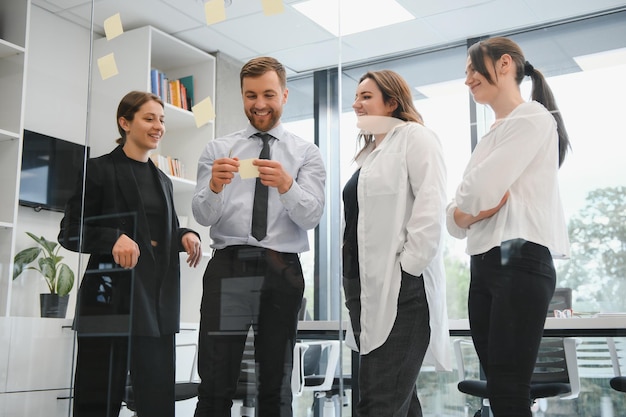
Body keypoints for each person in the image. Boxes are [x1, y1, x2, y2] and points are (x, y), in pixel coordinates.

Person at [191, 56, 326, 417]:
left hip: (281, 268)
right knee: (216, 381)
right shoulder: (218, 150)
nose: (260, 104)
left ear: (284, 94)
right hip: (228, 267)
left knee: (275, 384)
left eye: (268, 94)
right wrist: (215, 186)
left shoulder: (306, 154)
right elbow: (203, 216)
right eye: (251, 95)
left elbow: (312, 216)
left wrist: (286, 185)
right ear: (242, 95)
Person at [446, 37, 571, 417]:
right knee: (501, 389)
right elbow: (455, 216)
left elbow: (473, 193)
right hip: (484, 265)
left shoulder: (532, 117)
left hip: (519, 259)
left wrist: (467, 210)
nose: (467, 79)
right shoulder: (493, 134)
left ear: (503, 64)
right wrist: (468, 213)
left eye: (472, 69)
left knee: (509, 389)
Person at [58, 90, 203, 417]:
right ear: (125, 122)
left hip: (156, 305)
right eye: (149, 118)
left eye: (162, 120)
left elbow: (161, 232)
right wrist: (112, 239)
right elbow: (69, 231)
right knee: (98, 401)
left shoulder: (163, 180)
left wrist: (185, 235)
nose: (158, 126)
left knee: (157, 402)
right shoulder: (98, 170)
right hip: (110, 301)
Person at [342, 69, 451, 417]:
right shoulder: (370, 155)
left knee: (379, 402)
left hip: (401, 289)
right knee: (396, 400)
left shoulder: (415, 137)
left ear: (391, 102)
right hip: (364, 291)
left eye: (366, 96)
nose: (356, 103)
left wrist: (408, 268)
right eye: (356, 96)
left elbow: (430, 204)